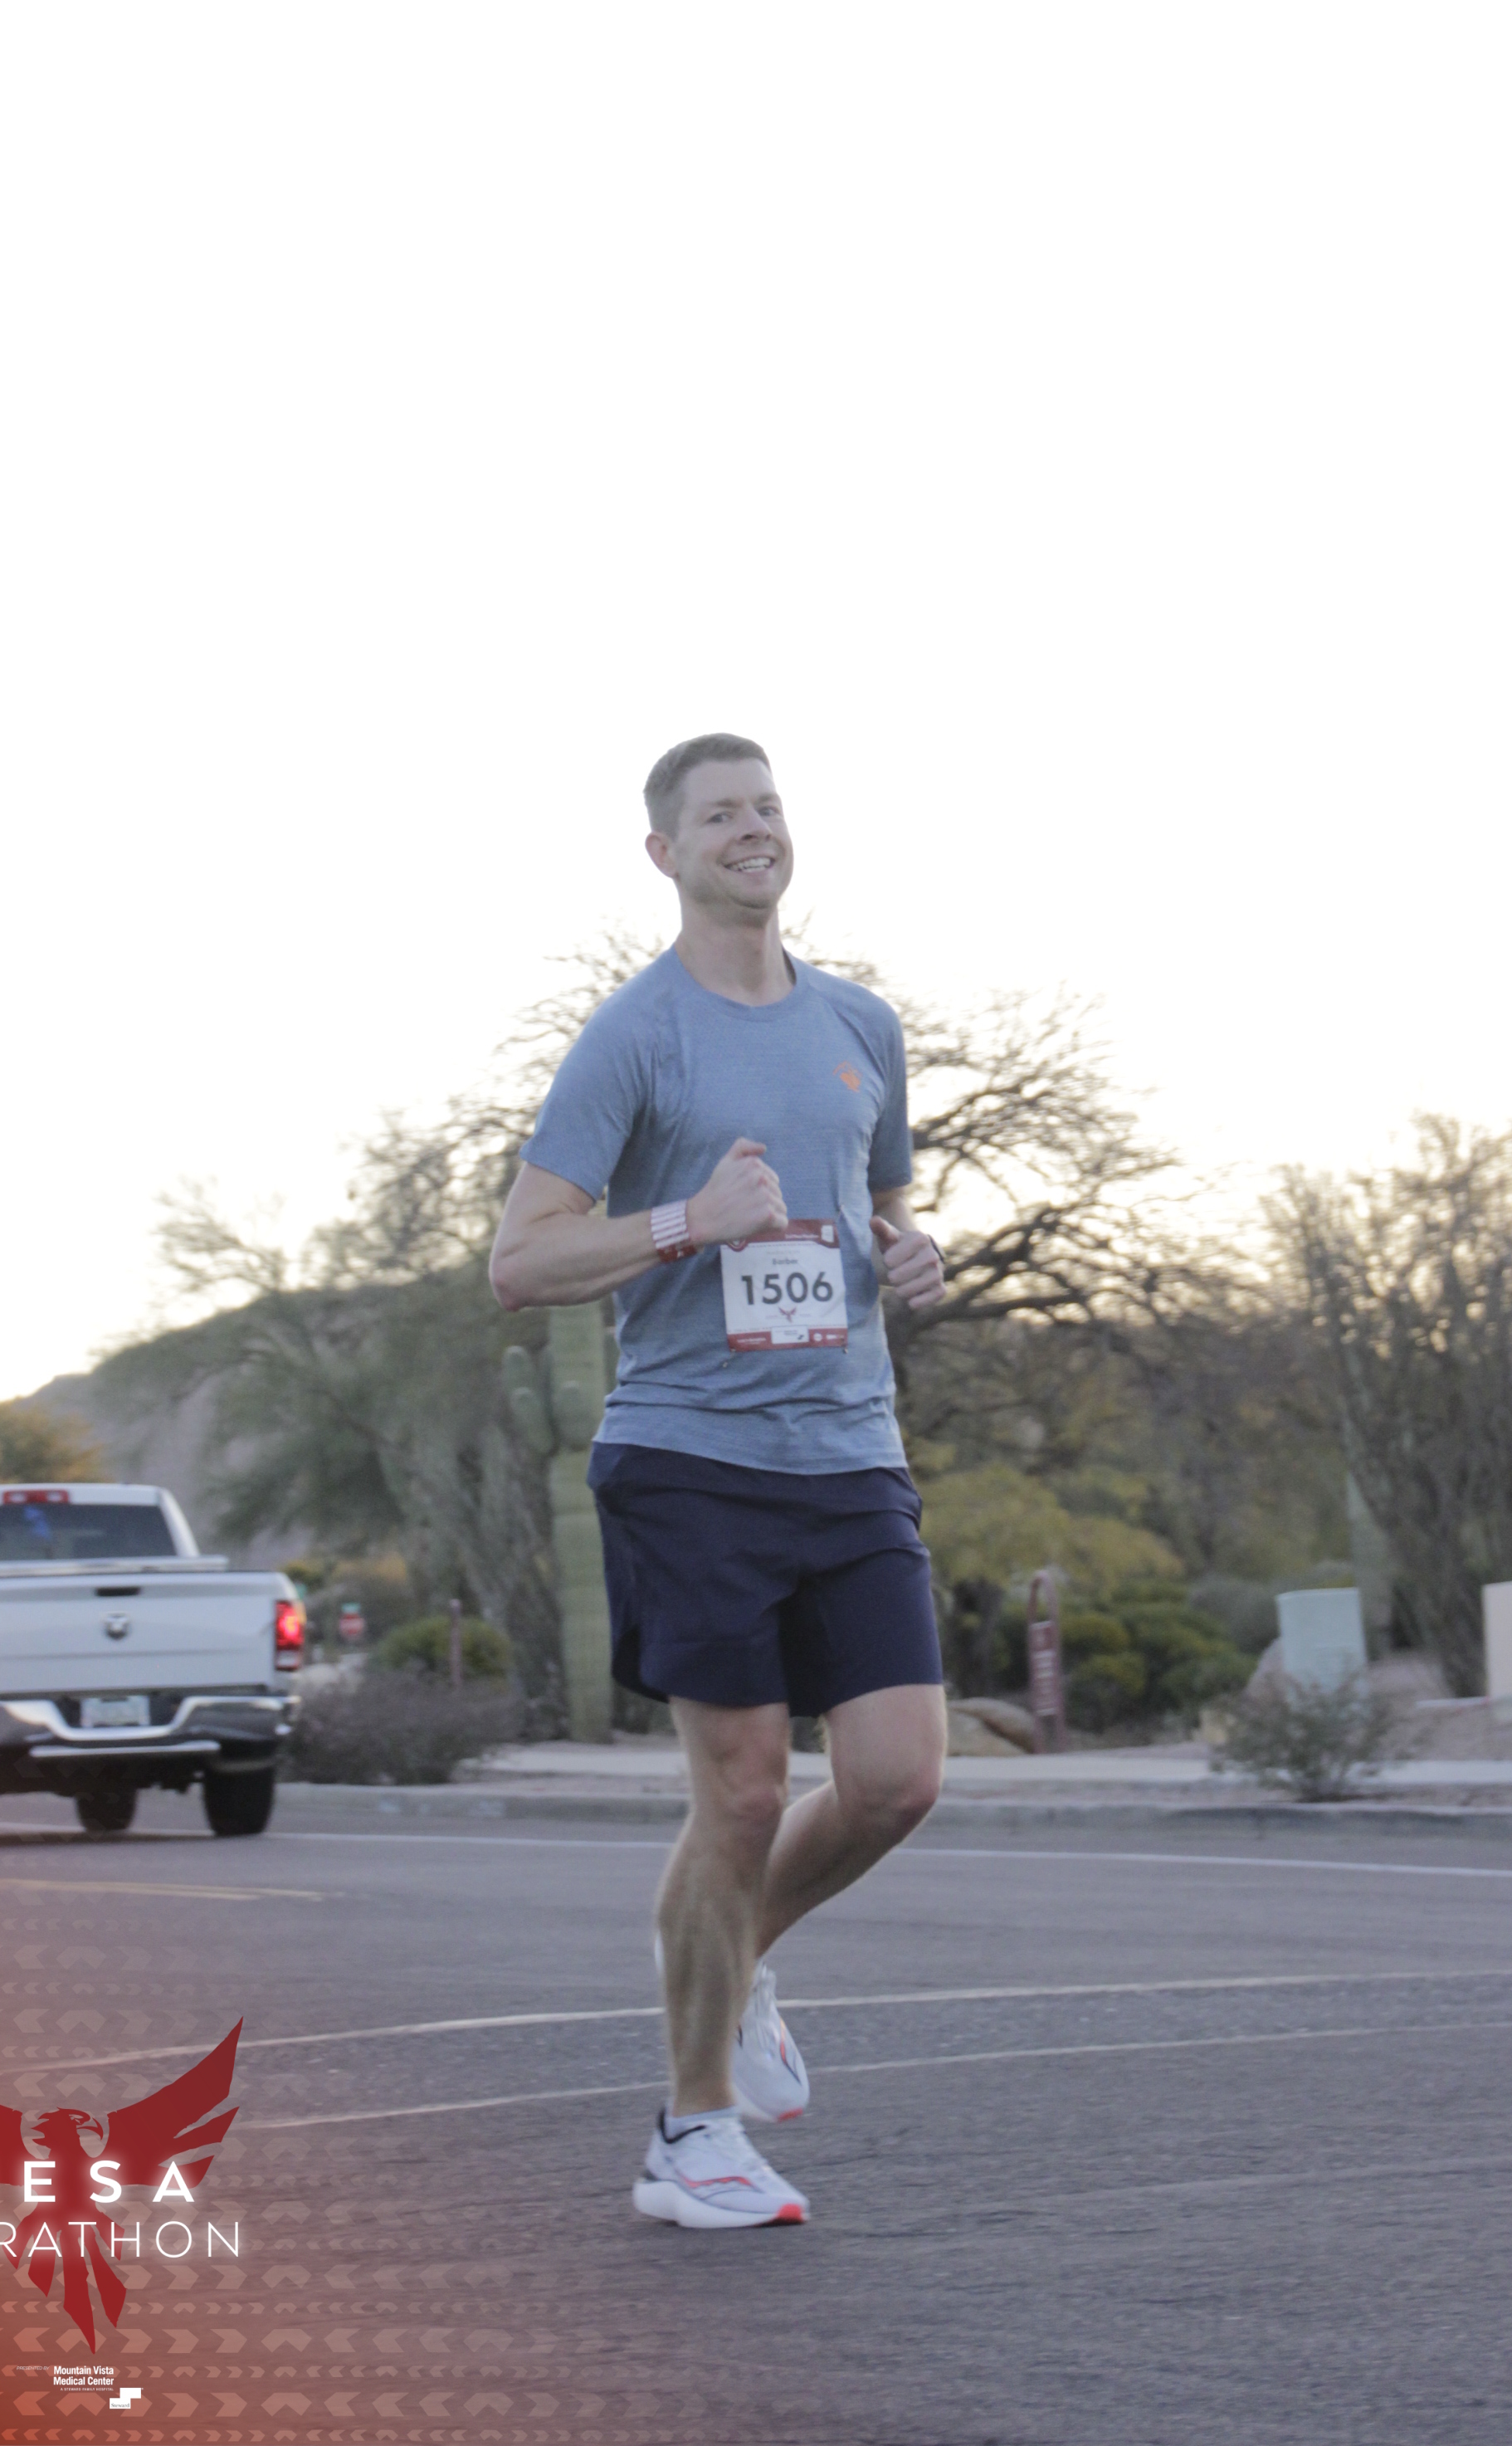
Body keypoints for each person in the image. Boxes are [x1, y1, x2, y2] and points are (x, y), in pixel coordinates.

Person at [490, 733, 949, 2229]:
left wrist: (912, 1256)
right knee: (744, 1792)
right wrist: (689, 1219)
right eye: (720, 815)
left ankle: (732, 1957)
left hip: (851, 1452)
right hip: (692, 1457)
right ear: (665, 854)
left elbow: (881, 1207)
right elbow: (521, 1260)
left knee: (896, 1780)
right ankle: (689, 2136)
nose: (754, 830)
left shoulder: (862, 1025)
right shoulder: (636, 1037)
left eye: (768, 807)